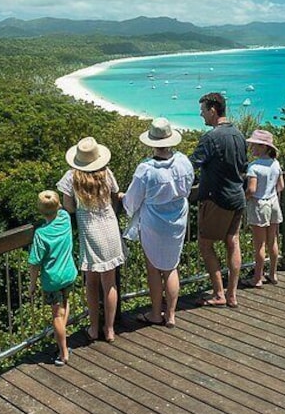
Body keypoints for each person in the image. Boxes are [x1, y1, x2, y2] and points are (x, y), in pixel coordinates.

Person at [120, 117, 194, 328]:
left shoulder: (146, 169)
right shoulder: (183, 162)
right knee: (171, 266)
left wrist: (123, 200)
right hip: (178, 217)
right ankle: (171, 314)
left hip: (153, 222)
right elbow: (188, 189)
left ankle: (155, 312)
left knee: (153, 267)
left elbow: (132, 201)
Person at [57, 136, 125, 343]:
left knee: (92, 284)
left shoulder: (71, 178)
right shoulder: (106, 173)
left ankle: (94, 329)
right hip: (110, 227)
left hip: (89, 229)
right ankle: (110, 329)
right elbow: (115, 196)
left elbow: (68, 207)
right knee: (110, 283)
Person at [190, 92, 247, 308]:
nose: (201, 114)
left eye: (203, 110)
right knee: (233, 241)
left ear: (213, 110)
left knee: (205, 245)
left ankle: (218, 292)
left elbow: (193, 163)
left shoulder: (211, 138)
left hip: (217, 199)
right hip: (237, 197)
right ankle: (232, 294)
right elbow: (243, 167)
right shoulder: (239, 135)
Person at [28, 190, 77, 367]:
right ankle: (62, 338)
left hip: (53, 279)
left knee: (57, 315)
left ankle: (63, 352)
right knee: (65, 304)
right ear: (58, 206)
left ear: (40, 211)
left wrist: (32, 285)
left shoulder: (40, 234)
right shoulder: (64, 218)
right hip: (69, 273)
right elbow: (63, 208)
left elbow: (34, 263)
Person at [242, 129, 284, 288]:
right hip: (273, 203)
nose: (252, 148)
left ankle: (257, 278)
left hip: (259, 205)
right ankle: (273, 273)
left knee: (259, 244)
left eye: (255, 145)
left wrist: (243, 198)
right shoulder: (276, 164)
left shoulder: (254, 167)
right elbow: (281, 186)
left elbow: (252, 190)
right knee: (272, 241)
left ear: (264, 147)